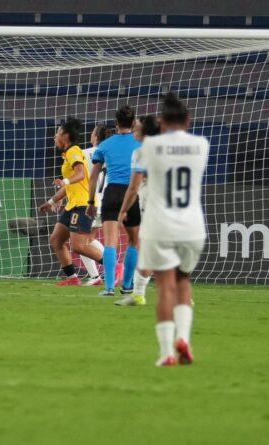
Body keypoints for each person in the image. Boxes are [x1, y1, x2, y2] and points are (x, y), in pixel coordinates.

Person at [118, 93, 208, 367]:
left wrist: (123, 210)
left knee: (166, 285)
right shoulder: (201, 144)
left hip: (159, 223)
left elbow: (135, 185)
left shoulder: (148, 149)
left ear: (161, 121)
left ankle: (168, 352)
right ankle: (184, 338)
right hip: (191, 225)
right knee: (183, 282)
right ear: (188, 120)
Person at [39, 117, 104, 285]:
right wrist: (52, 201)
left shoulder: (74, 150)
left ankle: (115, 267)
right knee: (56, 239)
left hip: (82, 204)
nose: (55, 136)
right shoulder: (68, 154)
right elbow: (70, 185)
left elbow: (81, 173)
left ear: (65, 135)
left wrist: (65, 181)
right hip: (72, 204)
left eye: (58, 132)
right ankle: (72, 278)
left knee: (79, 246)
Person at [86, 106, 142, 297]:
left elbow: (93, 177)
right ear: (133, 122)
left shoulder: (105, 145)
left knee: (110, 242)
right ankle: (127, 285)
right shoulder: (140, 144)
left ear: (116, 123)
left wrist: (90, 202)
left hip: (111, 193)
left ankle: (109, 287)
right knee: (134, 242)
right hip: (131, 193)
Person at [115, 115, 160, 307]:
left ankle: (138, 294)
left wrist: (123, 210)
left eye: (137, 127)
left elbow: (133, 188)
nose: (134, 130)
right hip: (175, 206)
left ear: (145, 131)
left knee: (147, 251)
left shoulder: (141, 152)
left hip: (154, 206)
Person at [80, 125, 111, 286]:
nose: (90, 136)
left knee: (80, 242)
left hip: (90, 202)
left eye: (92, 133)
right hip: (106, 201)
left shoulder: (85, 154)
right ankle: (96, 277)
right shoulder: (112, 154)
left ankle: (110, 268)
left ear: (96, 138)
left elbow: (79, 176)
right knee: (86, 239)